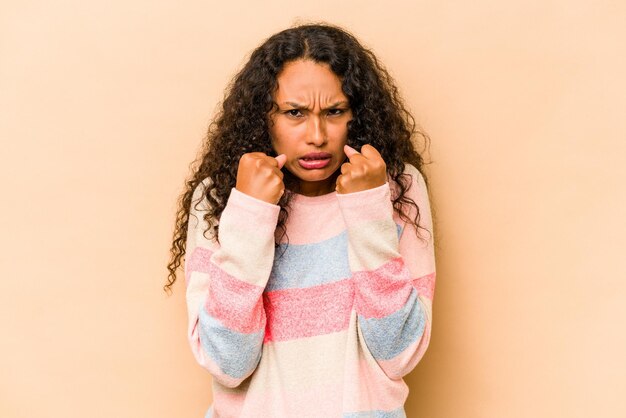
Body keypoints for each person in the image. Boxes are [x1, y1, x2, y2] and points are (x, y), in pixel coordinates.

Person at [165, 22, 437, 418]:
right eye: (294, 113)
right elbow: (228, 363)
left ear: (356, 115)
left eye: (335, 111)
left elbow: (399, 353)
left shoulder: (396, 189)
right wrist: (251, 213)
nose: (317, 135)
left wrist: (367, 210)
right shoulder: (220, 198)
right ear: (264, 117)